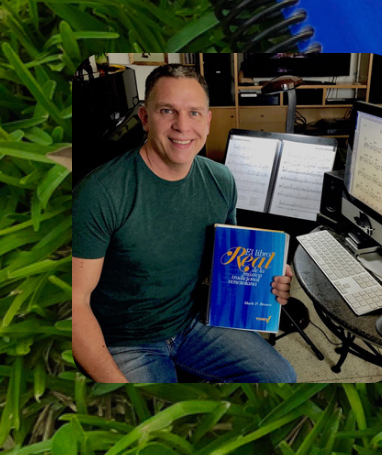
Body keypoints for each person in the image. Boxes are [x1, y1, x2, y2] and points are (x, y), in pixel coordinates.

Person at [72, 63, 298, 382]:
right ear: (145, 118)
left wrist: (267, 276)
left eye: (194, 113)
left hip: (193, 324)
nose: (182, 126)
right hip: (125, 341)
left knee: (281, 378)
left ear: (208, 121)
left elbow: (230, 266)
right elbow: (74, 303)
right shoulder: (99, 193)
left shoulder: (221, 180)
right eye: (167, 111)